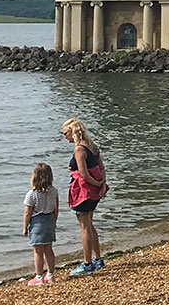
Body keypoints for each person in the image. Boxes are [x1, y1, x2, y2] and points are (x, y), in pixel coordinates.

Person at [62, 118, 109, 276]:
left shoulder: (79, 149)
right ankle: (98, 259)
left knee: (84, 227)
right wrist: (102, 183)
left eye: (65, 133)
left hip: (85, 192)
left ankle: (88, 263)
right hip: (94, 192)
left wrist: (96, 184)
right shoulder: (92, 145)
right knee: (90, 224)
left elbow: (84, 174)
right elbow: (101, 167)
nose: (64, 136)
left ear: (72, 132)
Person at [22, 163, 59, 286]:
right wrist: (54, 221)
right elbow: (56, 208)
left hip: (37, 221)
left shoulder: (32, 194)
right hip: (49, 220)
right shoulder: (54, 191)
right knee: (49, 249)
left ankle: (39, 276)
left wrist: (25, 227)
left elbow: (28, 212)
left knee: (38, 250)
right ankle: (50, 274)